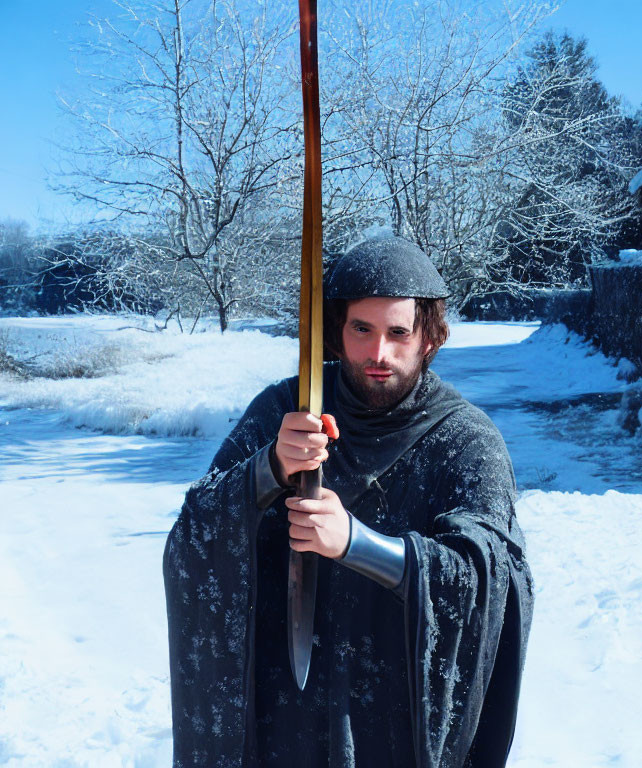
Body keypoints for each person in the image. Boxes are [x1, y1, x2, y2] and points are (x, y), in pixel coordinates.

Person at [163, 236, 534, 767]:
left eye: (398, 333)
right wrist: (268, 468)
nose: (378, 353)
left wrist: (355, 543)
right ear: (337, 331)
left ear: (429, 337)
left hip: (393, 718)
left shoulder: (465, 438)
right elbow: (193, 536)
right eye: (362, 329)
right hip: (280, 717)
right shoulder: (283, 409)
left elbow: (485, 578)